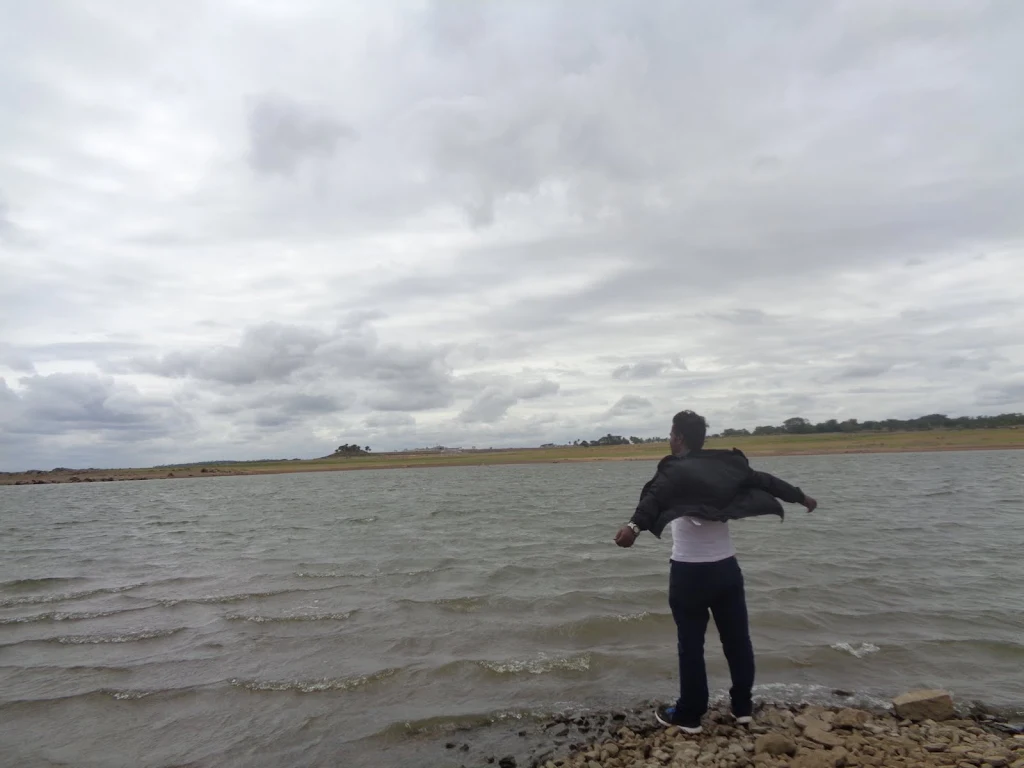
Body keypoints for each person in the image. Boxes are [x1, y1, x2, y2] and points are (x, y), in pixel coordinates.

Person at [614, 410, 817, 734]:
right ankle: (742, 708)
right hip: (726, 571)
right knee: (738, 641)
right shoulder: (728, 465)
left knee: (691, 645)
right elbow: (765, 481)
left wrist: (633, 528)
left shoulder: (674, 470)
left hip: (689, 574)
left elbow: (652, 500)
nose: (669, 438)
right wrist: (800, 496)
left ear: (678, 437)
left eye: (671, 433)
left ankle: (690, 714)